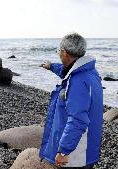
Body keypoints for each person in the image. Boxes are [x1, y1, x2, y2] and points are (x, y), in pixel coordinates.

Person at [39, 32, 103, 169]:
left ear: (64, 53)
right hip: (88, 147)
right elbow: (66, 70)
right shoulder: (89, 72)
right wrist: (51, 66)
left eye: (58, 51)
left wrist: (63, 151)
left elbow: (78, 119)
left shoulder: (78, 81)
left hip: (77, 153)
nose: (58, 54)